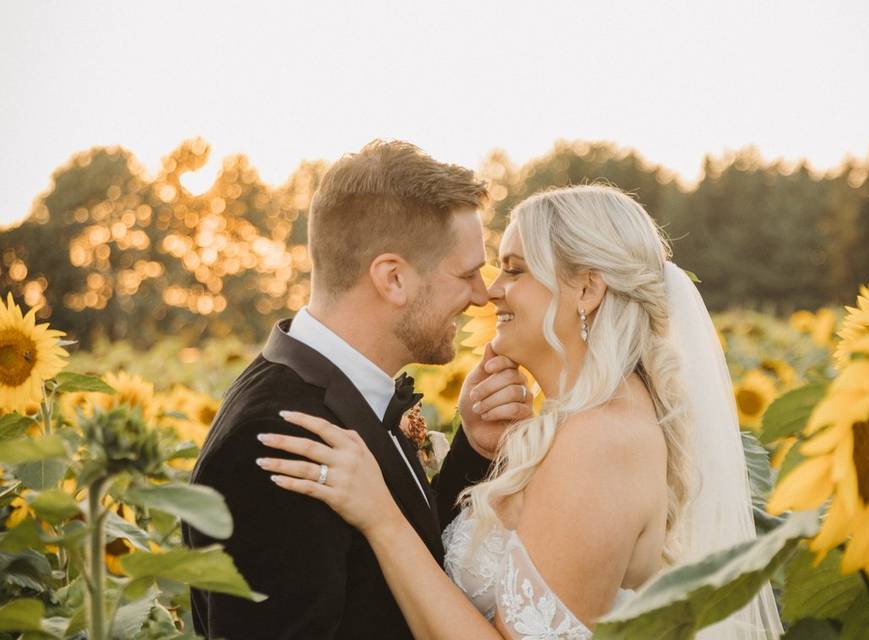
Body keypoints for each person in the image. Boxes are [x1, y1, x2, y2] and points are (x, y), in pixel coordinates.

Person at [258, 184, 785, 638]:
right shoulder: (581, 422)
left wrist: (380, 517)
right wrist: (483, 446)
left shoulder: (600, 440)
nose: (492, 293)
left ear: (587, 288)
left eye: (514, 270)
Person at [184, 140, 534, 639]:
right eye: (466, 273)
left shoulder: (341, 392)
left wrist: (473, 449)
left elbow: (401, 564)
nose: (482, 295)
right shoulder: (276, 440)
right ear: (393, 279)